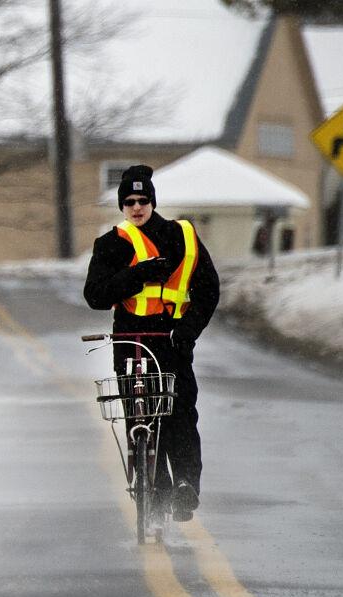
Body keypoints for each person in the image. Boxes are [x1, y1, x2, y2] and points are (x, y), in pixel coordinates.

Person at [83, 163, 220, 521]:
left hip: (172, 340)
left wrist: (187, 330)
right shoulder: (111, 244)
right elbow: (95, 295)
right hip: (131, 339)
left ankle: (186, 487)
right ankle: (154, 493)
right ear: (121, 206)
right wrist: (135, 275)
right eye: (129, 201)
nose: (137, 207)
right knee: (139, 416)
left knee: (179, 415)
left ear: (153, 201)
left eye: (143, 200)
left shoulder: (182, 235)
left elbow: (208, 290)